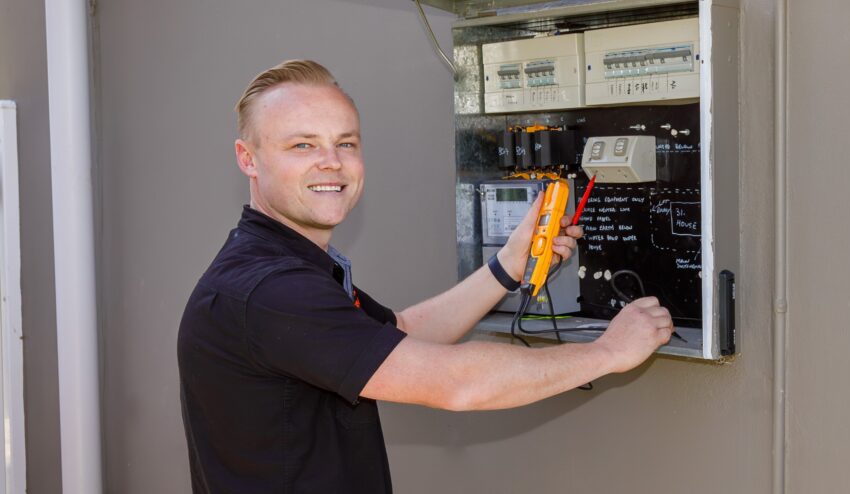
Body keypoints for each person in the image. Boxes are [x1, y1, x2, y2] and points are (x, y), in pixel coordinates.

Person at [178, 59, 674, 493]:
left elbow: (399, 335)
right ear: (248, 158)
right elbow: (456, 385)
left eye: (344, 142)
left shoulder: (283, 267)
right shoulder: (271, 290)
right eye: (302, 145)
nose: (331, 162)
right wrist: (607, 353)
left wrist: (507, 267)